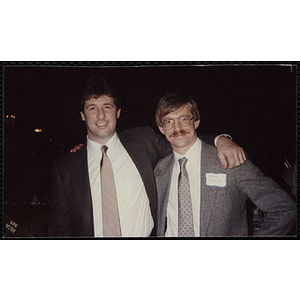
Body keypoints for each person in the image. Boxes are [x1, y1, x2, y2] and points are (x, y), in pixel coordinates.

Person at [48, 76, 246, 237]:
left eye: (107, 107)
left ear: (117, 112)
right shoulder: (65, 167)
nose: (101, 116)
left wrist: (220, 139)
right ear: (82, 115)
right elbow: (60, 229)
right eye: (92, 108)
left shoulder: (144, 141)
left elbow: (186, 143)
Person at [154, 93, 295, 237]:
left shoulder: (230, 159)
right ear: (161, 128)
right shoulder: (160, 170)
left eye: (183, 119)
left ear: (196, 122)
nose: (177, 127)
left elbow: (284, 208)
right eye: (169, 121)